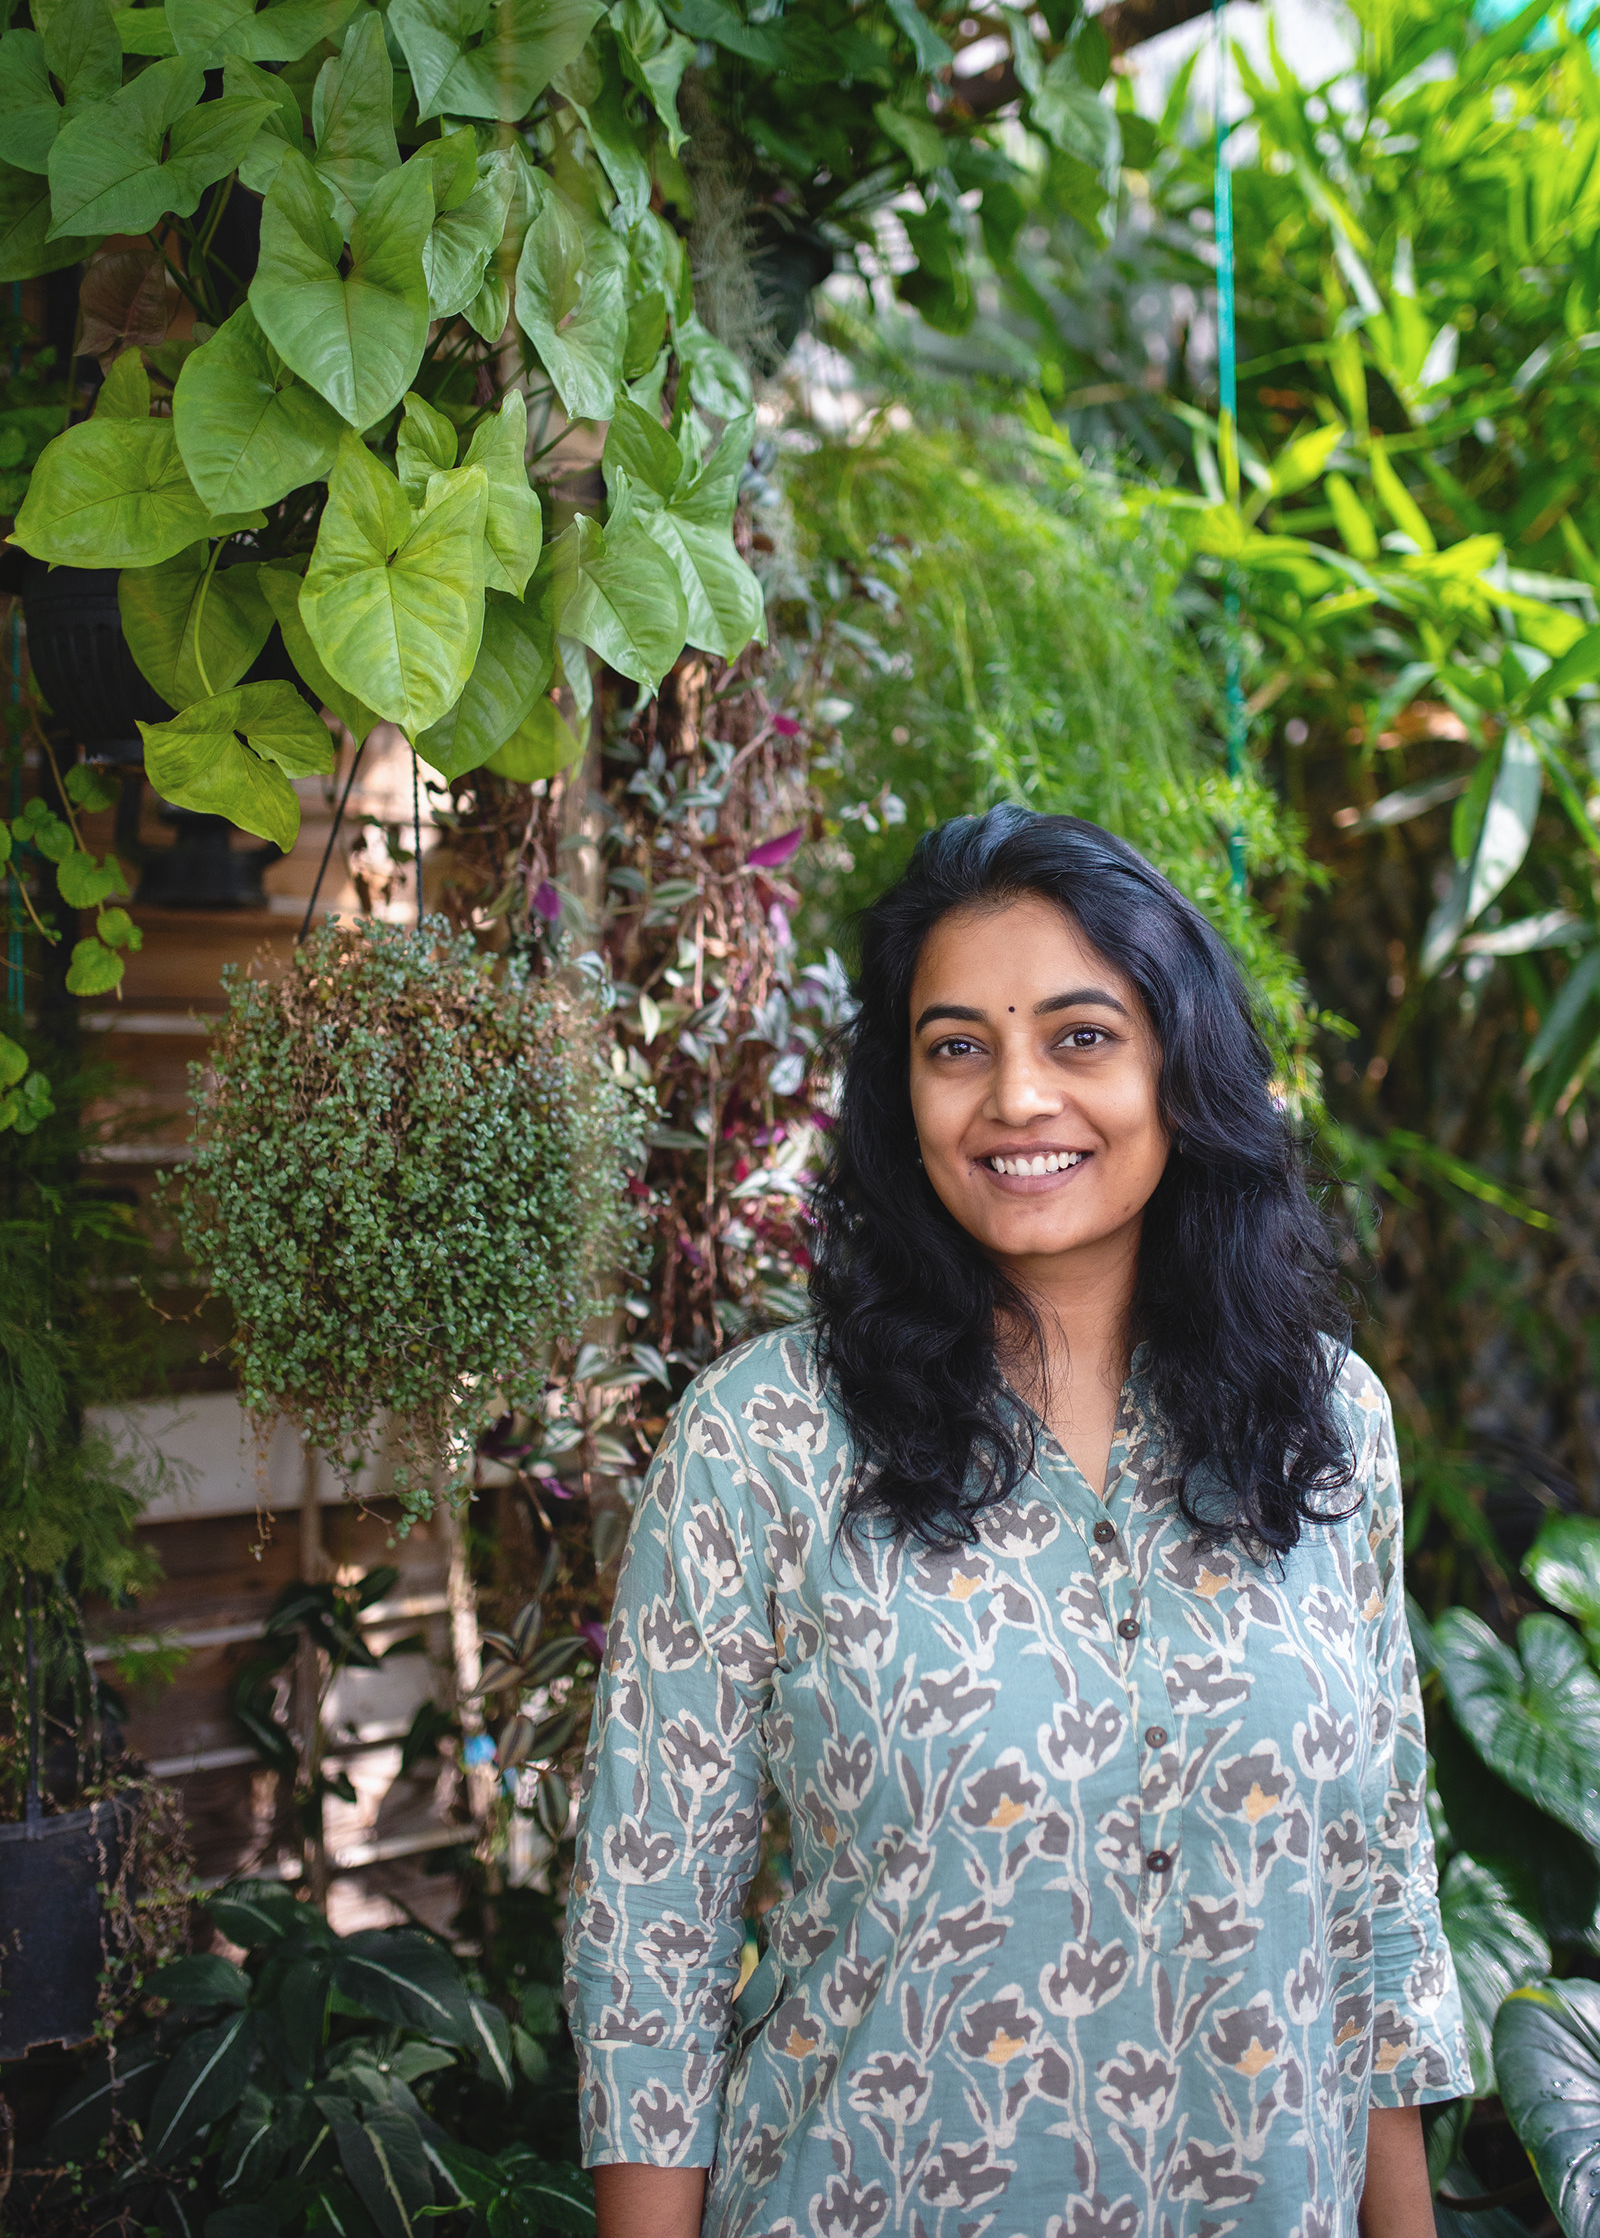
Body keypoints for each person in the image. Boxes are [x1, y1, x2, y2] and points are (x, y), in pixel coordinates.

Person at [564, 805, 1468, 2238]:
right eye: (957, 1047)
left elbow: (1379, 1902)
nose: (1017, 1098)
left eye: (1082, 1036)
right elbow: (652, 1931)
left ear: (1183, 1063)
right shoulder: (765, 1440)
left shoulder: (1327, 1421)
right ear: (899, 1092)